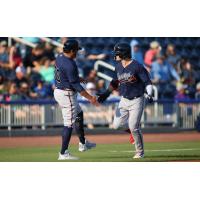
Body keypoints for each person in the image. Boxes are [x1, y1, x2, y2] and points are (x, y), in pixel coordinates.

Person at [97, 43, 153, 159]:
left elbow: (147, 82)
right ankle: (132, 133)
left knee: (134, 126)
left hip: (137, 99)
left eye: (117, 53)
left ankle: (140, 152)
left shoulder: (137, 66)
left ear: (124, 53)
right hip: (124, 99)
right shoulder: (118, 66)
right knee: (116, 125)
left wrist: (150, 93)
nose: (115, 55)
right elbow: (114, 82)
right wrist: (105, 94)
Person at [54, 39, 98, 160]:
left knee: (79, 113)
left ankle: (83, 143)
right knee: (68, 124)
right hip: (66, 94)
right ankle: (63, 153)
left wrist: (77, 78)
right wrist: (90, 98)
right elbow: (76, 86)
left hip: (60, 90)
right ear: (72, 50)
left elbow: (66, 74)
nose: (77, 53)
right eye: (76, 50)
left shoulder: (59, 56)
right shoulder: (70, 63)